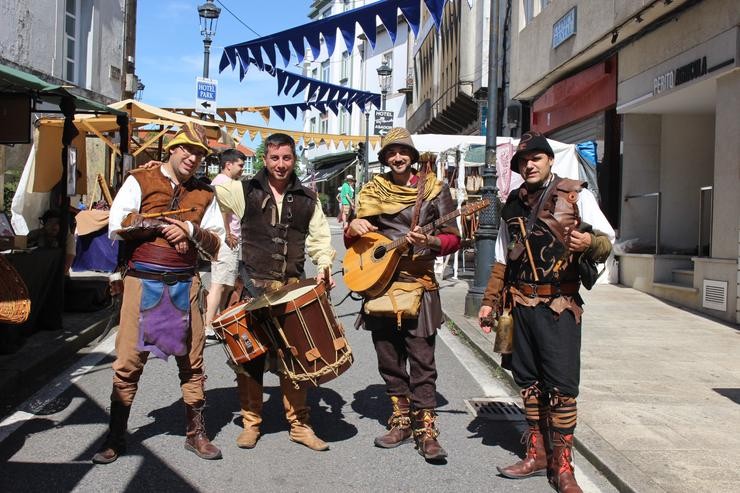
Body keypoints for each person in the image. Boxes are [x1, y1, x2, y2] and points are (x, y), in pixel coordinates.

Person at [477, 131, 614, 492]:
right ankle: (538, 455)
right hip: (521, 306)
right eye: (523, 161)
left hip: (560, 306)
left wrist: (588, 242)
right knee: (530, 384)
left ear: (550, 160)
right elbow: (503, 259)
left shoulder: (575, 194)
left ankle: (563, 466)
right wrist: (490, 301)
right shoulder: (512, 204)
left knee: (563, 388)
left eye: (536, 158)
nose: (530, 164)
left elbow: (607, 239)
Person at [93, 122, 225, 464]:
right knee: (127, 364)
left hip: (186, 283)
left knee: (193, 364)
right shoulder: (140, 180)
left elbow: (217, 243)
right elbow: (117, 225)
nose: (193, 158)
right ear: (173, 149)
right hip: (143, 282)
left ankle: (196, 434)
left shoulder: (205, 194)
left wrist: (191, 230)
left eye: (199, 153)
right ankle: (116, 436)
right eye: (188, 150)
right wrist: (163, 226)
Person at [345, 128, 460, 461]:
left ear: (412, 155)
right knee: (389, 358)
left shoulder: (435, 189)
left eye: (403, 152)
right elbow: (356, 244)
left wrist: (431, 242)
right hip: (379, 286)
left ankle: (426, 428)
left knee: (423, 360)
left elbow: (455, 238)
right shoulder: (372, 190)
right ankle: (401, 418)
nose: (398, 158)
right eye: (391, 153)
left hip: (419, 285)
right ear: (384, 159)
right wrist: (352, 228)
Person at [215, 132, 335, 451]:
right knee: (250, 359)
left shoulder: (309, 199)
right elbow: (213, 192)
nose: (280, 165)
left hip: (291, 290)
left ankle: (299, 425)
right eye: (274, 158)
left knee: (295, 358)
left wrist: (324, 266)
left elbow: (321, 239)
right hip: (252, 288)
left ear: (294, 159)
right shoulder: (243, 191)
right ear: (264, 160)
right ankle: (251, 422)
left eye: (286, 158)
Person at [204, 149, 246, 335]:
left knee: (226, 283)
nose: (242, 169)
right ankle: (208, 325)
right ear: (228, 165)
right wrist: (228, 233)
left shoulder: (225, 182)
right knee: (219, 283)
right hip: (225, 240)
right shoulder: (223, 182)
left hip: (228, 239)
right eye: (240, 165)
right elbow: (223, 209)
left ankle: (218, 321)